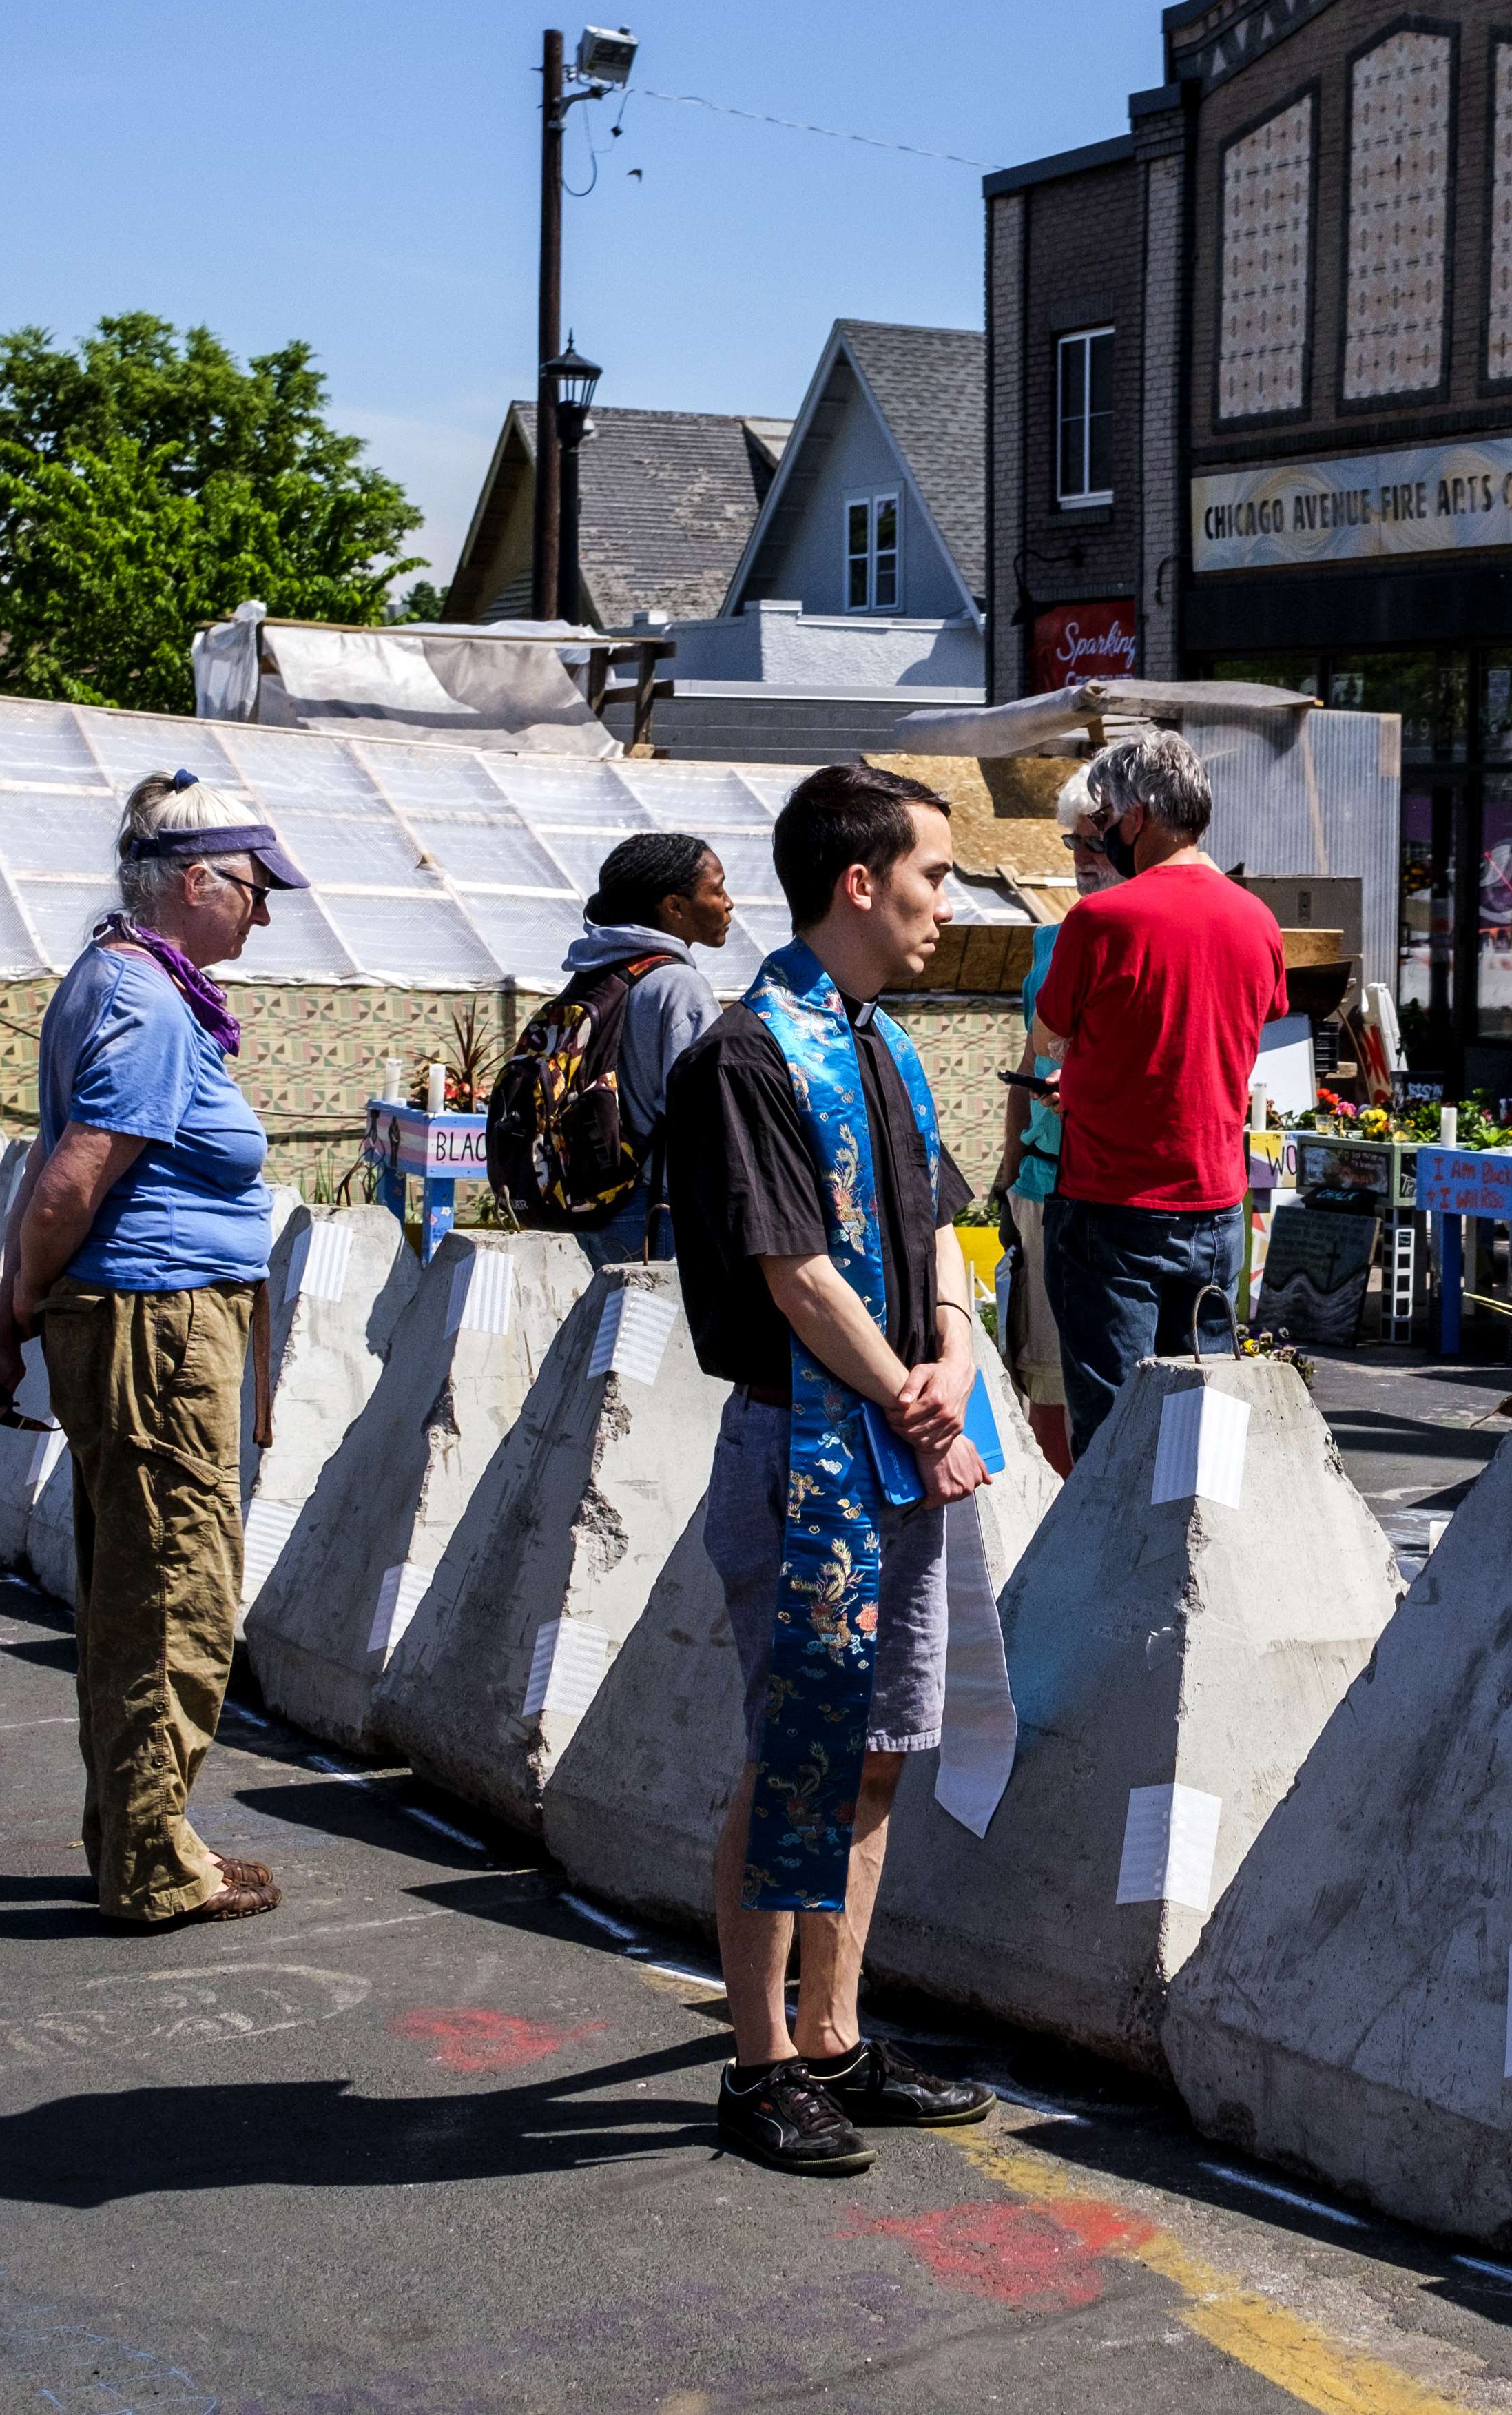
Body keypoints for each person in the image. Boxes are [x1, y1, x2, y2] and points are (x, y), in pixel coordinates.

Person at [663, 761, 997, 2175]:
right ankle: (755, 2062)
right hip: (803, 1446)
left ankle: (833, 2032)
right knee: (791, 1755)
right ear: (857, 882)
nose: (946, 906)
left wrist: (961, 1355)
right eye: (932, 877)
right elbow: (792, 1271)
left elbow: (937, 1230)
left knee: (874, 1756)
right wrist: (912, 1401)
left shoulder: (888, 1045)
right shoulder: (750, 1052)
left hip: (899, 1445)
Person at [0, 769, 311, 1935]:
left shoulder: (122, 980)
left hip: (135, 1318)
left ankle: (141, 1840)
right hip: (156, 1326)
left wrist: (9, 1316)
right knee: (177, 1591)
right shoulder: (147, 1002)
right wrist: (15, 1308)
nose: (263, 915)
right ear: (196, 878)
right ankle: (154, 1865)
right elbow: (72, 1182)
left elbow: (54, 1169)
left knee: (136, 1589)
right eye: (255, 889)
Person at [1035, 728, 1288, 1461]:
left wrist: (1084, 1076)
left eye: (1106, 816)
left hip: (1112, 1203)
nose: (1103, 832)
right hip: (1216, 1205)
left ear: (1137, 817)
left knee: (1113, 1440)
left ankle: (1106, 1578)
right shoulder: (1258, 921)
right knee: (1199, 1433)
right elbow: (1229, 1029)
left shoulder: (1099, 921)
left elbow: (1053, 1032)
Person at [506, 832, 731, 1258]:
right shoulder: (680, 987)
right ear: (675, 906)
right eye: (716, 890)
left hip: (589, 1200)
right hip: (654, 1212)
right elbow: (708, 1115)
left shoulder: (596, 974)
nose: (728, 903)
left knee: (600, 1325)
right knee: (653, 1325)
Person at [991, 777, 1122, 1476]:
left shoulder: (1153, 936)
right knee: (1044, 1375)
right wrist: (1010, 1168)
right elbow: (1029, 1058)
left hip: (1120, 1191)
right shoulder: (1052, 941)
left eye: (1098, 842)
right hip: (1046, 1182)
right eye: (1074, 841)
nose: (1082, 857)